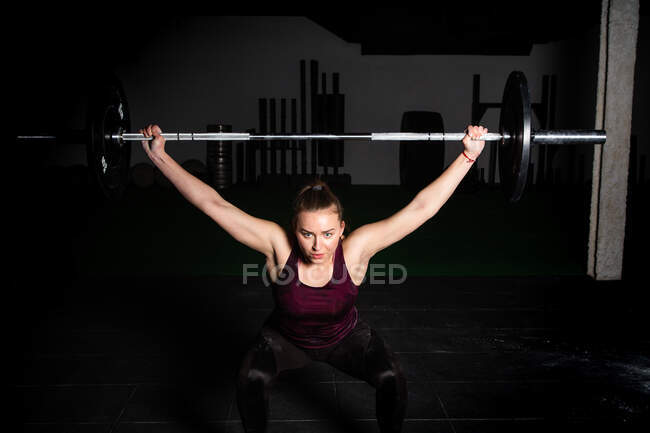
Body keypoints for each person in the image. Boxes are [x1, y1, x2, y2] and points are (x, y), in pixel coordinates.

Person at [140, 124, 486, 433]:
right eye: (307, 234)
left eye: (327, 234)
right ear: (295, 230)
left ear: (342, 230)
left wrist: (467, 158)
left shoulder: (356, 250)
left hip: (345, 338)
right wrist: (161, 159)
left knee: (392, 378)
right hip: (285, 340)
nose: (318, 245)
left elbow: (420, 209)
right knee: (250, 379)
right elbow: (214, 205)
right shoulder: (276, 244)